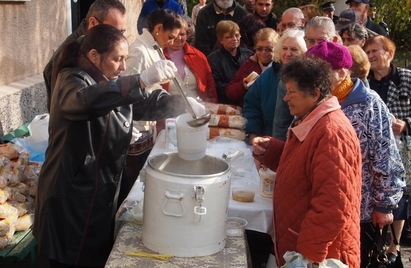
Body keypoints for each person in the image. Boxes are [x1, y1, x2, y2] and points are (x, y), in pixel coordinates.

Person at [33, 24, 188, 268]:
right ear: (94, 56)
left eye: (125, 59)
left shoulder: (112, 81)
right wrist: (142, 79)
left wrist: (186, 105)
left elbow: (145, 102)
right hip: (69, 202)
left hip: (99, 198)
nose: (124, 67)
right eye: (118, 59)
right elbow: (87, 101)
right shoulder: (70, 79)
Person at [252, 55, 362, 267]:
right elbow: (305, 165)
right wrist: (273, 150)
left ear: (315, 93)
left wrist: (308, 255)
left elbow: (333, 204)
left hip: (321, 255)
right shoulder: (312, 119)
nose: (286, 98)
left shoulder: (331, 132)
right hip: (303, 246)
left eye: (291, 92)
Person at [306, 40, 405, 268]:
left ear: (341, 73)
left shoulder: (369, 103)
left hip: (361, 212)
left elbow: (385, 156)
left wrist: (384, 205)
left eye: (317, 72)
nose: (310, 79)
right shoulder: (313, 99)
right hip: (321, 207)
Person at [365, 35, 411, 262]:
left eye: (375, 51)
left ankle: (395, 247)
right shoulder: (365, 81)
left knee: (399, 197)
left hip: (403, 149)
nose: (370, 55)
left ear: (390, 54)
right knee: (375, 196)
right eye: (368, 51)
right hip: (373, 148)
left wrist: (407, 123)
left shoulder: (407, 78)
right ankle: (377, 246)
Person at [43, 0, 127, 112]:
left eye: (122, 32)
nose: (118, 38)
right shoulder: (69, 55)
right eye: (113, 31)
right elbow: (71, 106)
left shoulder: (99, 47)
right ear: (93, 22)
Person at [244, 29, 306, 144]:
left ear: (303, 52)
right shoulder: (267, 76)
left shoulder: (308, 81)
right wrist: (254, 134)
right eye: (284, 48)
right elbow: (251, 106)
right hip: (266, 142)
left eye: (294, 49)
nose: (288, 53)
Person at [163, 16, 218, 103]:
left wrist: (212, 106)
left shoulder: (199, 56)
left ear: (188, 35)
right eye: (175, 34)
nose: (179, 38)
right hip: (168, 111)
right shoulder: (157, 56)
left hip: (198, 111)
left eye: (182, 34)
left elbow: (210, 85)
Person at [226, 28, 279, 106]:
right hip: (249, 110)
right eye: (259, 49)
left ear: (277, 49)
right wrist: (242, 86)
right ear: (255, 48)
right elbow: (229, 92)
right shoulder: (248, 65)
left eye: (269, 49)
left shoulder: (280, 67)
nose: (263, 52)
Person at [207, 20, 252, 105]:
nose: (234, 39)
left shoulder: (249, 55)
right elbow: (216, 86)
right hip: (227, 104)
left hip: (249, 101)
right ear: (220, 40)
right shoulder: (213, 60)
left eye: (237, 35)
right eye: (229, 37)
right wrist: (239, 88)